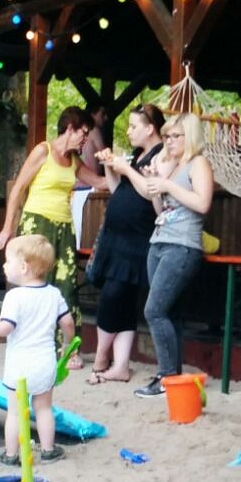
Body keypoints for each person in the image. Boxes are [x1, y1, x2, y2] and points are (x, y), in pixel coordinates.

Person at [105, 113, 215, 399]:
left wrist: (167, 186)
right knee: (169, 312)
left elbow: (203, 204)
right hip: (158, 241)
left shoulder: (199, 163)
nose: (169, 141)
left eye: (175, 136)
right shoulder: (174, 167)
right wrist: (155, 185)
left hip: (182, 245)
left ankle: (166, 376)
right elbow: (160, 209)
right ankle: (172, 378)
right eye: (166, 136)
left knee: (153, 310)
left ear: (190, 136)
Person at [0, 106, 107, 369]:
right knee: (33, 283)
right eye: (83, 133)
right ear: (69, 128)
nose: (85, 139)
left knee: (67, 286)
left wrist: (121, 168)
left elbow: (100, 182)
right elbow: (18, 188)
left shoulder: (74, 161)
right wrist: (7, 227)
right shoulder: (42, 151)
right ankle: (29, 341)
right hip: (37, 223)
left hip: (65, 227)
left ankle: (69, 349)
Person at [0, 234, 73, 465]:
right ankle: (48, 451)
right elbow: (67, 323)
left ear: (24, 267)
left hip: (19, 364)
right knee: (44, 409)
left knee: (15, 412)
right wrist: (68, 344)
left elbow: (4, 328)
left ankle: (11, 455)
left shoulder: (14, 296)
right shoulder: (54, 294)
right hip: (45, 363)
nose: (4, 266)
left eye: (8, 261)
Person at [84, 103, 166, 384]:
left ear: (150, 128)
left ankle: (100, 358)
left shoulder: (161, 156)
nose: (128, 131)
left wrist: (127, 170)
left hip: (137, 238)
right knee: (124, 303)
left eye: (133, 126)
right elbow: (118, 189)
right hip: (117, 237)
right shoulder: (138, 154)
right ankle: (120, 366)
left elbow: (151, 192)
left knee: (112, 297)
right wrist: (111, 167)